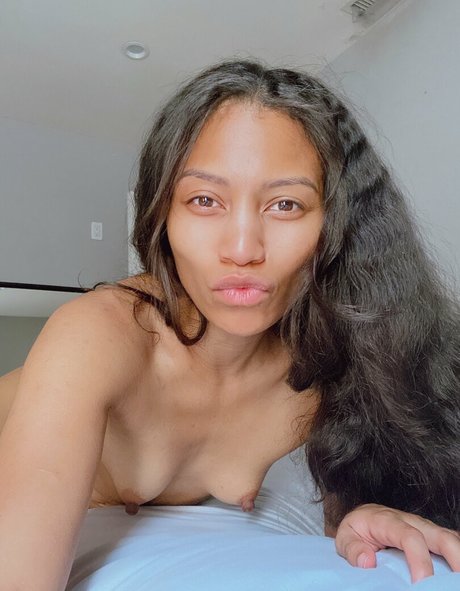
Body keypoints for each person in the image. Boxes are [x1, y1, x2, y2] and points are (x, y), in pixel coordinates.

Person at [0, 59, 459, 591]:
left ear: (335, 225)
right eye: (204, 200)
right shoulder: (97, 336)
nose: (242, 249)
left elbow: (345, 513)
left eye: (285, 204)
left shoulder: (338, 359)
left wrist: (366, 517)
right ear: (162, 217)